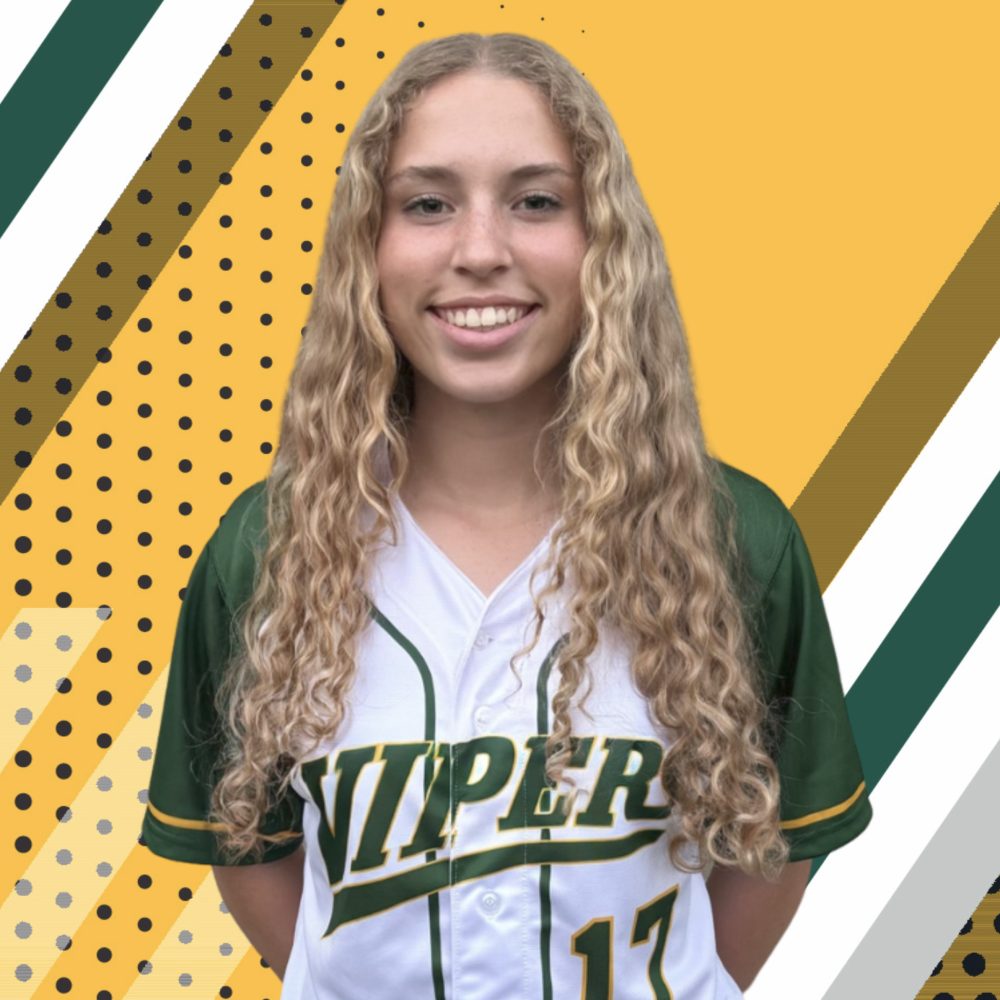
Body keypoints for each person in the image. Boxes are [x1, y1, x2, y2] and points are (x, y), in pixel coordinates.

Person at [141, 32, 871, 999]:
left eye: (536, 201)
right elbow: (246, 847)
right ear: (367, 247)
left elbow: (773, 847)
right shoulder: (267, 548)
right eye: (427, 204)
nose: (481, 251)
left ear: (604, 242)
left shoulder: (733, 536)